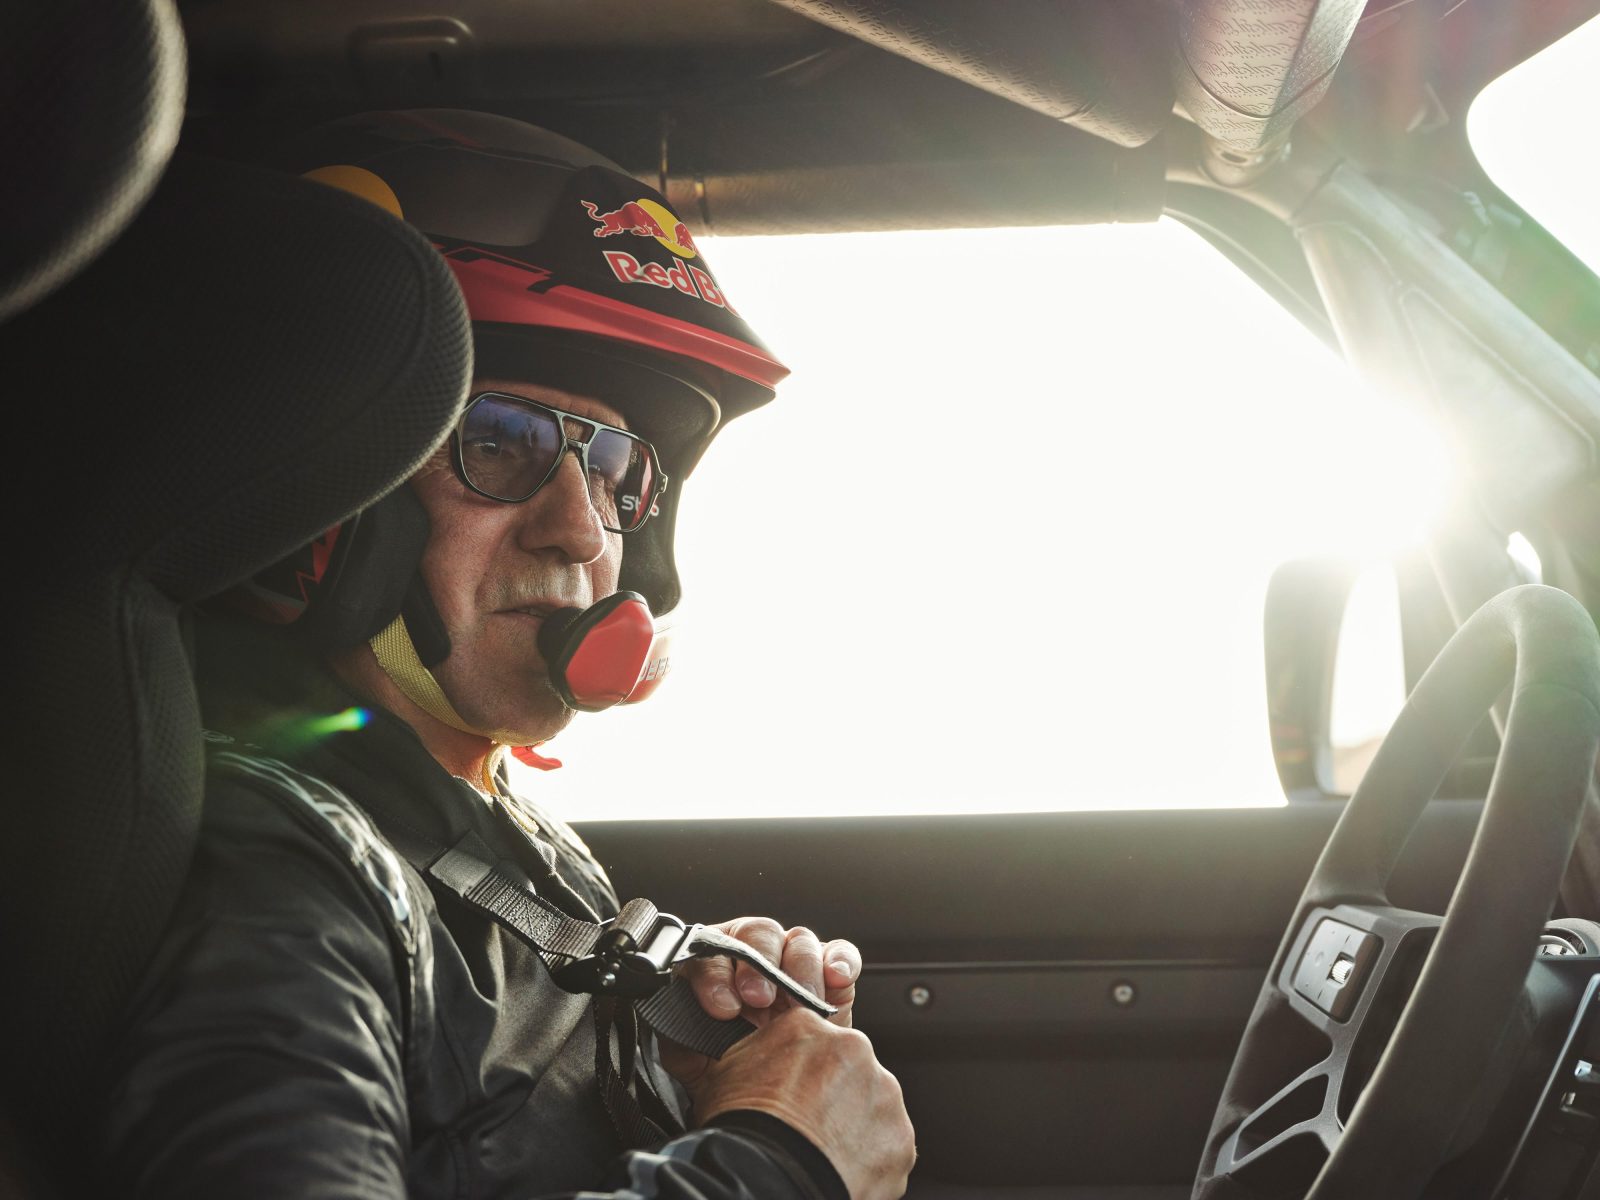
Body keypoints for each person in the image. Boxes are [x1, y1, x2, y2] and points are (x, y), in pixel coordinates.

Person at [98, 109, 916, 1200]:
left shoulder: (490, 831)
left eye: (613, 468)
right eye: (500, 441)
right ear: (326, 502)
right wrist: (775, 1163)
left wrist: (682, 1062)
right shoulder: (275, 869)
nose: (580, 529)